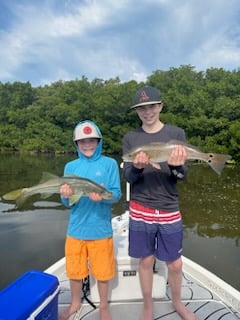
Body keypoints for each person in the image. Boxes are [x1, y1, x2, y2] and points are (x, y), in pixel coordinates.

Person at [122, 86, 197, 320]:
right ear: (137, 111)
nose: (148, 112)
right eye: (142, 108)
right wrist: (137, 166)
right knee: (145, 260)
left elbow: (182, 177)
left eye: (152, 106)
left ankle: (178, 303)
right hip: (141, 206)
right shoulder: (131, 139)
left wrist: (176, 166)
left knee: (174, 264)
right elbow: (129, 177)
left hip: (169, 206)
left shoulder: (176, 133)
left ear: (161, 106)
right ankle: (148, 306)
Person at [59, 120, 122, 320]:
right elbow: (67, 202)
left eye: (92, 140)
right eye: (82, 142)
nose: (87, 145)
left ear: (99, 141)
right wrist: (66, 195)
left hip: (101, 230)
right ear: (76, 144)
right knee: (75, 272)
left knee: (103, 274)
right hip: (76, 229)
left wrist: (101, 199)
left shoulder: (109, 164)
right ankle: (75, 303)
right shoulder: (70, 166)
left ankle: (104, 306)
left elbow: (116, 195)